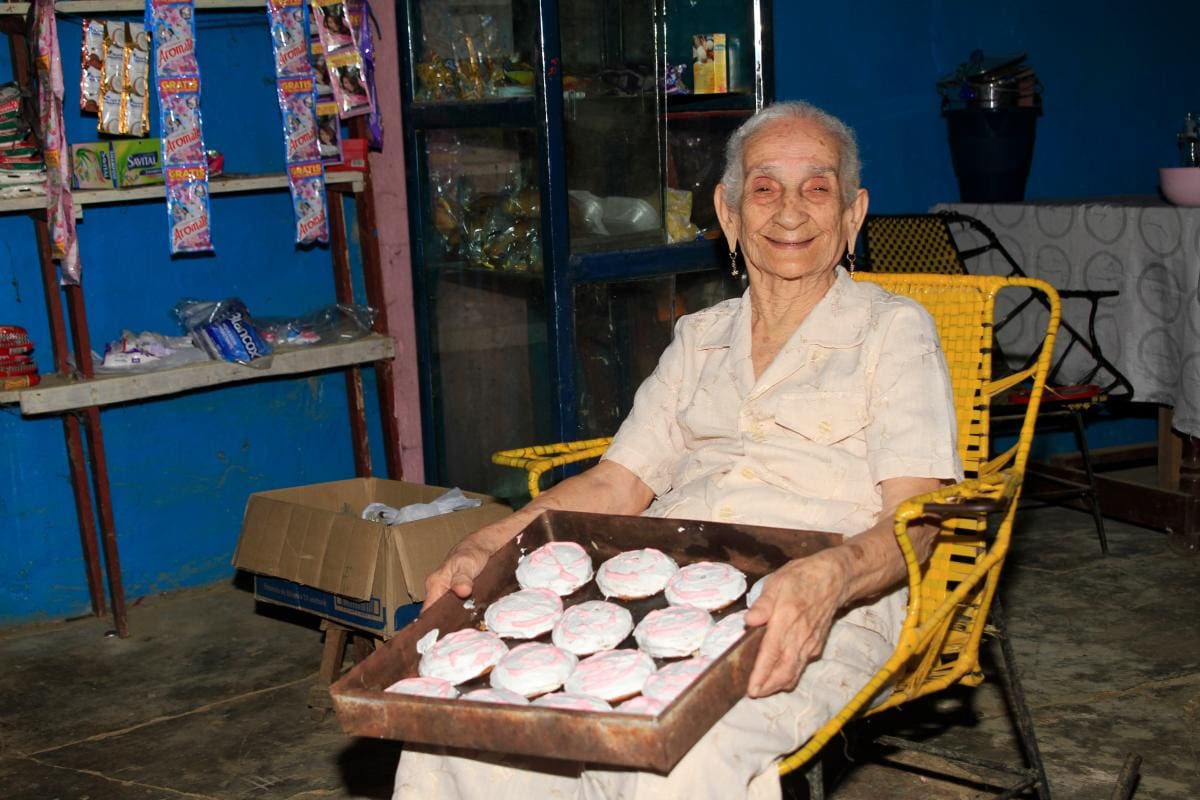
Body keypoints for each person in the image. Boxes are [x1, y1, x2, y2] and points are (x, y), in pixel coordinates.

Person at [394, 100, 962, 799]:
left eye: (817, 188)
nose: (790, 210)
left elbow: (920, 519)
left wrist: (832, 578)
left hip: (820, 601)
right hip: (661, 590)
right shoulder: (700, 337)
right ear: (729, 213)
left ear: (853, 214)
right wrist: (490, 540)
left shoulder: (893, 331)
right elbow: (617, 483)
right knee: (466, 723)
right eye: (764, 188)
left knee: (677, 758)